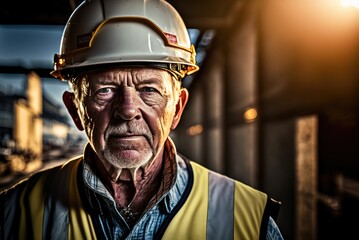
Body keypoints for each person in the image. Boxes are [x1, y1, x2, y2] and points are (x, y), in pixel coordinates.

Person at [0, 0, 284, 239]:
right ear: (76, 110)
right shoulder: (13, 214)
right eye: (105, 90)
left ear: (177, 108)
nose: (127, 109)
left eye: (149, 90)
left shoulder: (250, 221)